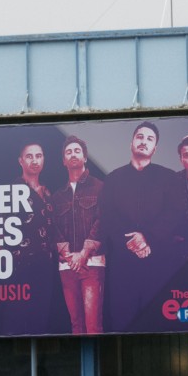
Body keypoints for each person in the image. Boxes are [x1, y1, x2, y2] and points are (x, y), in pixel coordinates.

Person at [99, 121, 177, 332]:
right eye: (140, 137)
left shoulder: (169, 177)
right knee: (122, 322)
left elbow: (174, 214)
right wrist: (131, 243)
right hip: (122, 266)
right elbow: (107, 216)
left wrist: (147, 237)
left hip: (158, 263)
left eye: (149, 139)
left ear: (155, 148)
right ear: (131, 143)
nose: (144, 142)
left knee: (158, 323)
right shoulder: (113, 178)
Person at [8, 141, 64, 335]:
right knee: (18, 317)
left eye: (38, 156)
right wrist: (4, 261)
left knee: (41, 317)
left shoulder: (47, 193)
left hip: (45, 266)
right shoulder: (13, 190)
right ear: (20, 161)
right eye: (29, 156)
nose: (34, 160)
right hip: (20, 266)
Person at [51, 135, 105, 334]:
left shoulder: (100, 187)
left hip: (92, 264)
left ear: (85, 157)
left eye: (77, 151)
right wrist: (68, 255)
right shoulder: (57, 196)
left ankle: (96, 357)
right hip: (67, 267)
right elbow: (53, 227)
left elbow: (103, 221)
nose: (73, 154)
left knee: (93, 325)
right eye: (68, 152)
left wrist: (83, 253)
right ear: (63, 161)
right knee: (76, 325)